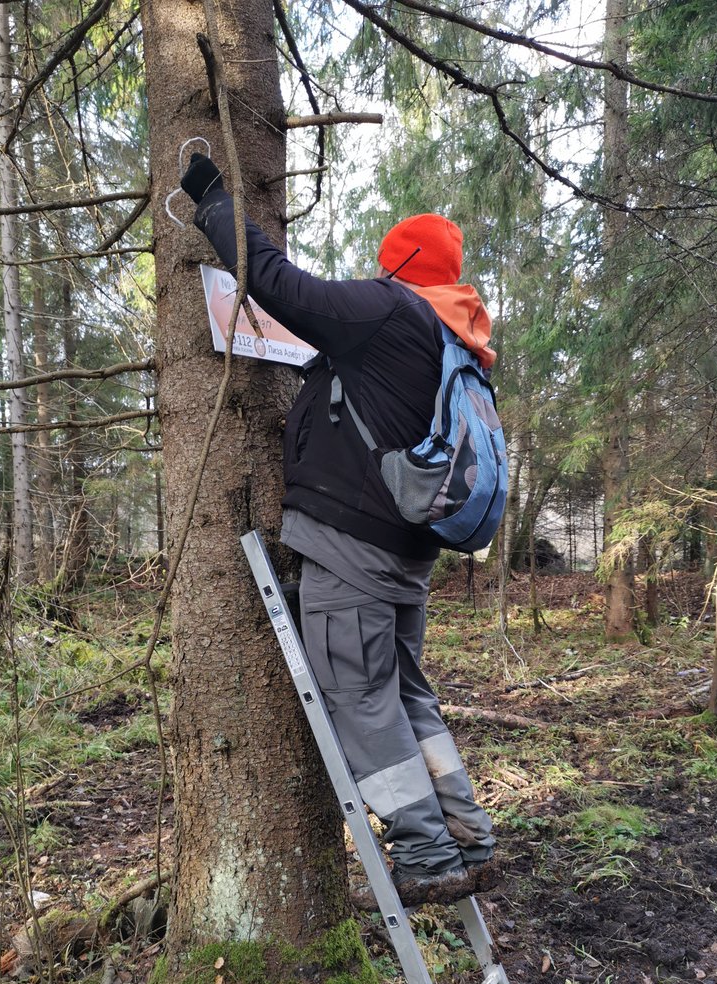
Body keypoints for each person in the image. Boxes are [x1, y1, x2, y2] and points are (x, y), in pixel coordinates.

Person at [180, 153, 496, 900]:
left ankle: (425, 853)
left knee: (359, 699)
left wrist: (215, 204)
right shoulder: (456, 339)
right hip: (407, 557)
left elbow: (284, 286)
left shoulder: (391, 311)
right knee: (409, 698)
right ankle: (469, 836)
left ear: (400, 264)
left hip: (354, 553)